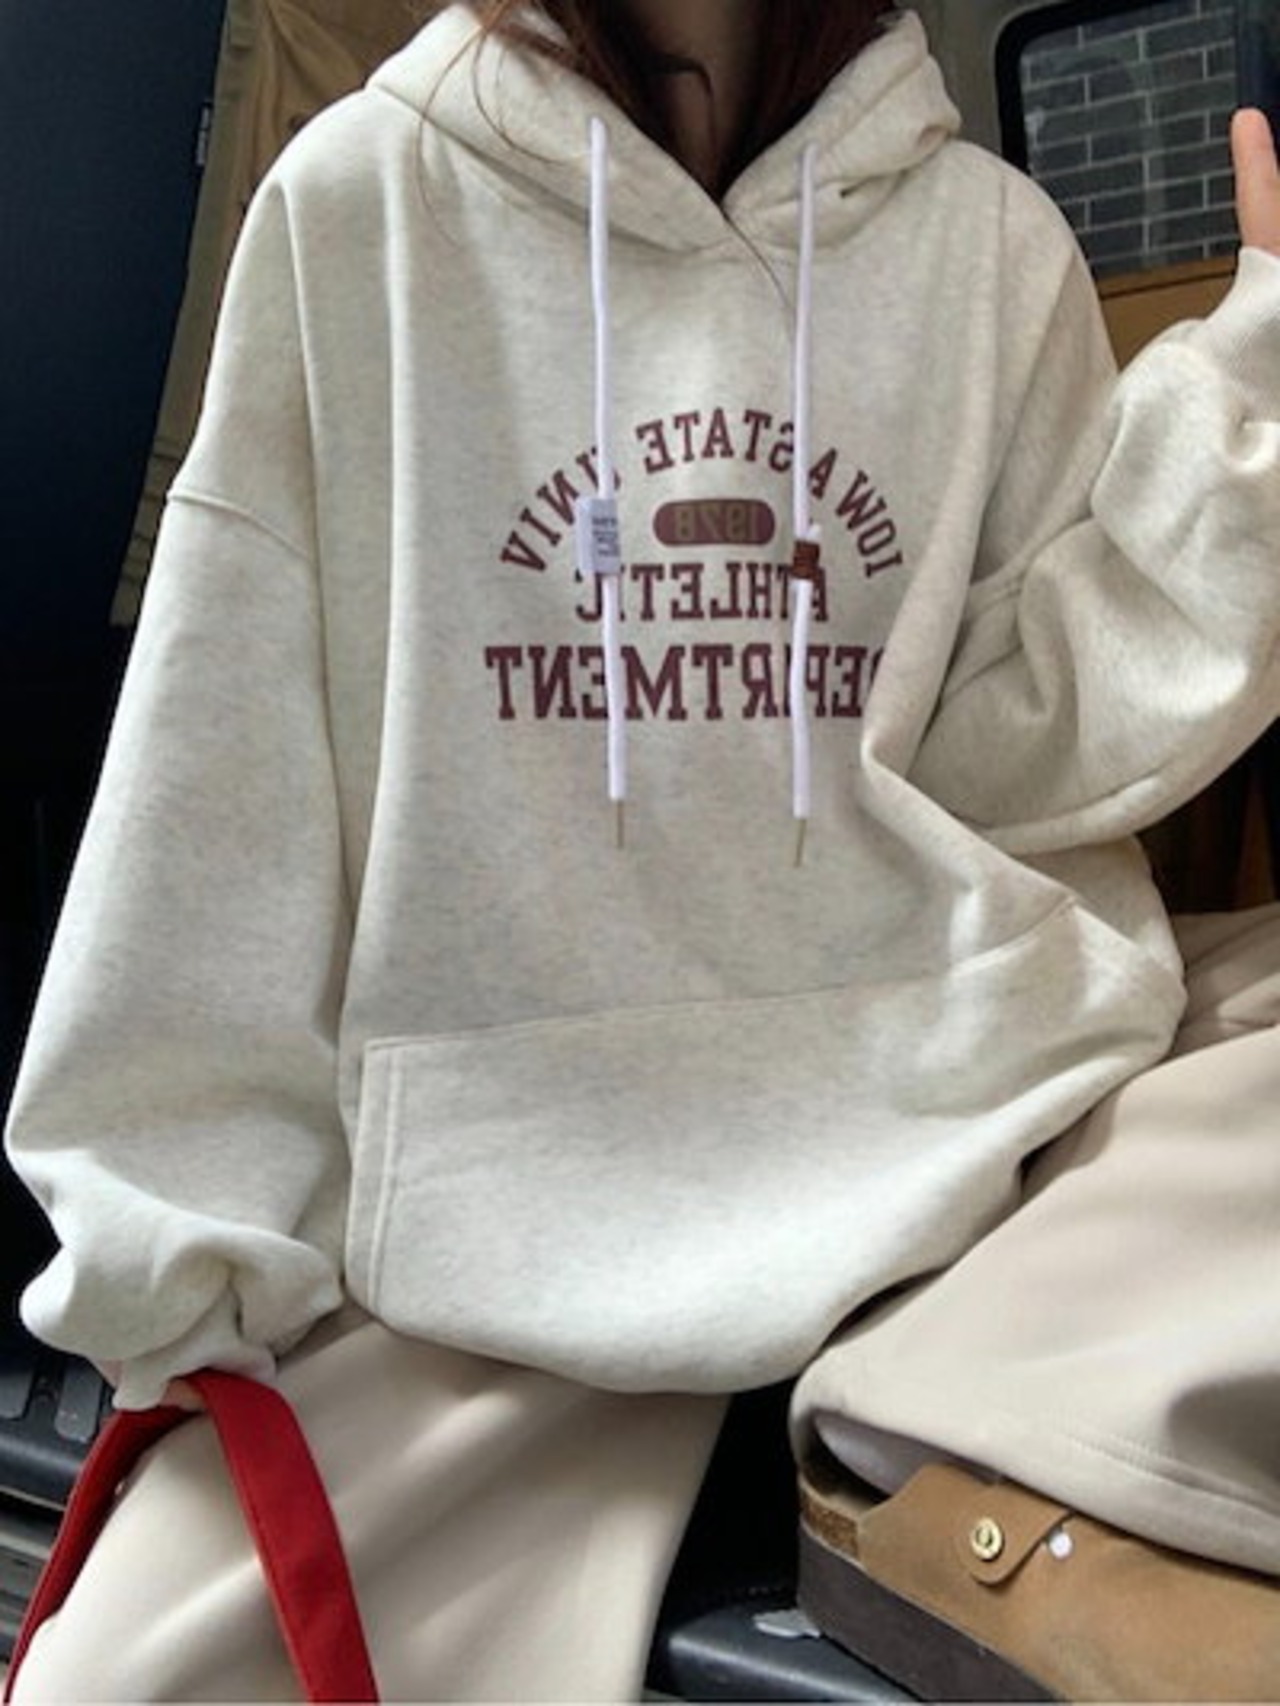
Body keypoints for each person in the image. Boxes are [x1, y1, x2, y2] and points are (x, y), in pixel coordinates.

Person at [6, 0, 1280, 1697]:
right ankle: (953, 1441)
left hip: (969, 1119)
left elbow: (1013, 741)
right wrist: (181, 1278)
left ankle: (920, 1427)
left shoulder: (990, 241)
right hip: (519, 1219)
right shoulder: (360, 203)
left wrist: (1264, 373)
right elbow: (223, 773)